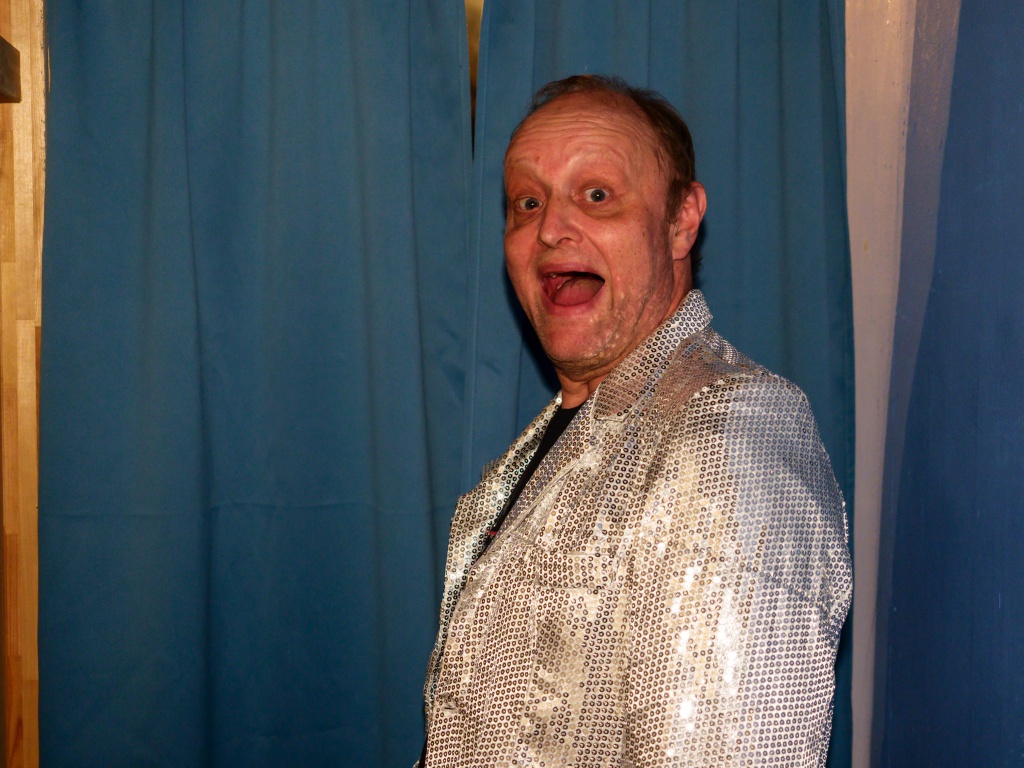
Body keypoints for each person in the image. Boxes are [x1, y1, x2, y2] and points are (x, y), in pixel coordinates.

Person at [419, 74, 852, 767]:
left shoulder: (729, 432)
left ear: (681, 220)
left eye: (597, 195)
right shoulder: (540, 450)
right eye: (527, 202)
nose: (550, 228)